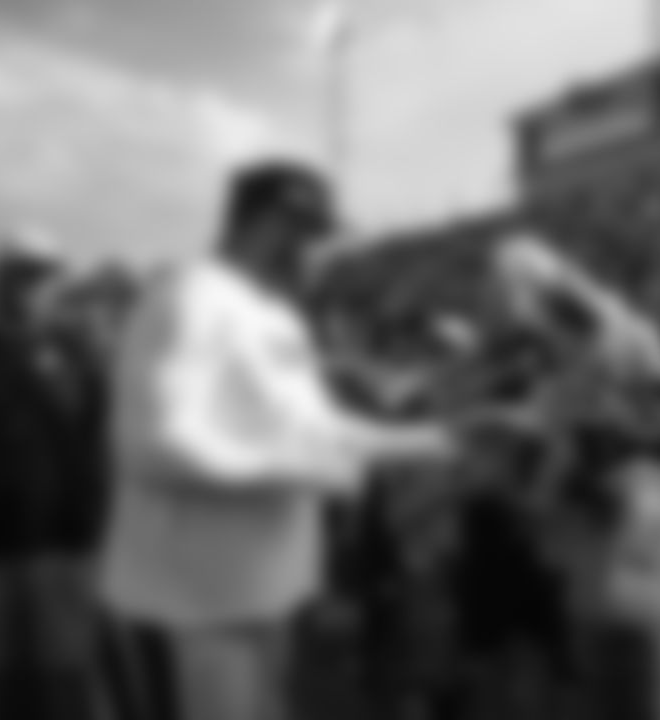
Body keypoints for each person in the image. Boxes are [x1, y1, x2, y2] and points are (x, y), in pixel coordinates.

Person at [93, 159, 459, 720]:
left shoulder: (277, 316)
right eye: (318, 239)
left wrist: (447, 438)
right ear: (271, 227)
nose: (326, 258)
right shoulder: (185, 297)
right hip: (194, 607)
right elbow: (152, 447)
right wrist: (309, 468)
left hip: (266, 595)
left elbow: (323, 431)